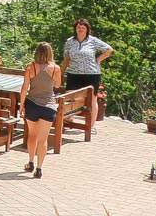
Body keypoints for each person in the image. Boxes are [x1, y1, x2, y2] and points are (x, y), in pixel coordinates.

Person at [18, 42, 62, 177]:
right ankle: (39, 169)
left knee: (32, 135)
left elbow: (25, 88)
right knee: (43, 139)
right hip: (48, 106)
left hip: (32, 104)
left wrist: (21, 105)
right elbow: (58, 84)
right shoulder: (55, 68)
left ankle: (30, 162)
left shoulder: (31, 67)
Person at [63, 19, 113, 124]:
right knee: (71, 97)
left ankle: (91, 124)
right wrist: (61, 71)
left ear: (87, 29)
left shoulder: (92, 40)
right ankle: (69, 117)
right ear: (75, 29)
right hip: (74, 73)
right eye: (78, 27)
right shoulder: (70, 41)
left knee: (92, 99)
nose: (80, 29)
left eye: (83, 28)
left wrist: (98, 59)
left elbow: (109, 49)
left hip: (91, 74)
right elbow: (67, 58)